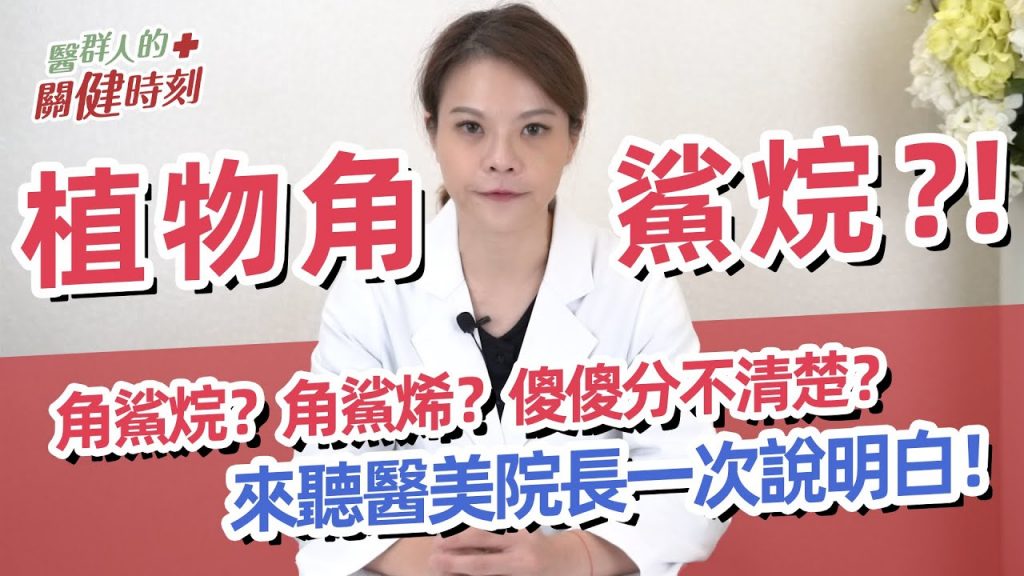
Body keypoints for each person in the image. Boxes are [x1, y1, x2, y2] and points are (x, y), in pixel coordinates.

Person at [296, 4, 727, 575]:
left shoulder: (637, 288)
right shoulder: (370, 292)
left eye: (534, 129)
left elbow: (695, 481)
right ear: (433, 132)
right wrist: (443, 563)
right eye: (471, 128)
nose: (501, 160)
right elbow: (324, 486)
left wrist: (566, 558)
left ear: (572, 137)